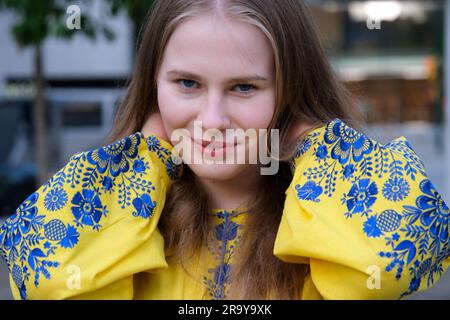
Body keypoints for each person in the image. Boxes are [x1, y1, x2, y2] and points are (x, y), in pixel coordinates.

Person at [1, 0, 449, 300]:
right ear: (153, 86)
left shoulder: (323, 218)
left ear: (289, 90)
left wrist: (310, 140)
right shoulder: (127, 213)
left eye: (243, 87)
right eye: (187, 83)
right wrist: (148, 153)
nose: (212, 119)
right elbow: (44, 277)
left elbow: (392, 258)